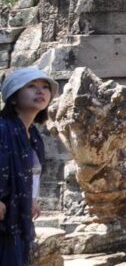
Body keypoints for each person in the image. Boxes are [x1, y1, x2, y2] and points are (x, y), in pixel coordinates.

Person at [0, 68, 57, 265]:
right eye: (31, 86)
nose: (40, 91)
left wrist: (31, 200)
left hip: (17, 217)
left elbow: (32, 173)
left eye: (45, 87)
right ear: (13, 98)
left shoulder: (33, 135)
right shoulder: (2, 128)